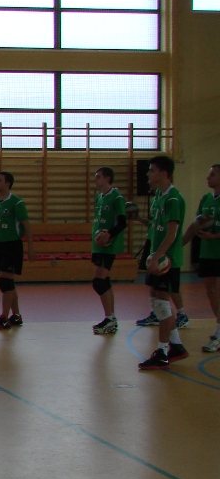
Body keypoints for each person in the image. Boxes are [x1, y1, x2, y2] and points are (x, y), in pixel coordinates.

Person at [137, 155, 188, 370]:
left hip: (168, 260)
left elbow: (172, 233)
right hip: (157, 256)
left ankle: (162, 351)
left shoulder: (173, 199)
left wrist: (158, 256)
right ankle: (176, 346)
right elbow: (156, 226)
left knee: (162, 303)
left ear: (164, 173)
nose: (148, 173)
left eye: (152, 170)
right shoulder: (159, 195)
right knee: (156, 299)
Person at [0, 171, 34, 330]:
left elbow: (26, 225)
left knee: (5, 282)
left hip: (12, 245)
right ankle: (16, 315)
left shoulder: (16, 203)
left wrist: (31, 248)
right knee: (8, 282)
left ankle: (4, 318)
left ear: (7, 184)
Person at [183, 163, 220, 352]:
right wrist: (178, 245)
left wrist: (215, 236)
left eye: (212, 174)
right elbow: (195, 224)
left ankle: (218, 334)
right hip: (208, 252)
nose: (208, 177)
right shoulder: (206, 198)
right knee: (211, 291)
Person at [90, 167, 128, 334]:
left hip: (109, 245)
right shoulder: (100, 198)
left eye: (98, 177)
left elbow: (122, 223)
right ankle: (110, 319)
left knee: (99, 282)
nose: (95, 180)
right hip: (99, 245)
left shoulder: (116, 197)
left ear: (107, 178)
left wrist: (109, 235)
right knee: (104, 281)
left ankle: (110, 319)